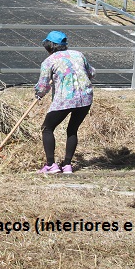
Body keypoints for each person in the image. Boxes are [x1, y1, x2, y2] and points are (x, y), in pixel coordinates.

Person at [35, 31, 95, 174]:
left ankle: (51, 165)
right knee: (72, 129)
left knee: (47, 128)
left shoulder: (48, 62)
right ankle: (67, 165)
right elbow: (92, 73)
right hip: (86, 98)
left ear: (49, 46)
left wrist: (38, 94)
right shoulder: (78, 54)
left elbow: (43, 87)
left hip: (65, 99)